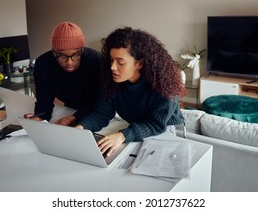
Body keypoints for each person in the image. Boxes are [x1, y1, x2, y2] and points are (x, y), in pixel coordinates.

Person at [75, 27, 185, 156]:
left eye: (120, 63)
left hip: (166, 130)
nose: (112, 67)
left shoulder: (163, 84)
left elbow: (155, 124)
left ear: (140, 63)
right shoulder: (112, 79)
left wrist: (122, 135)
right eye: (111, 60)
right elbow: (101, 114)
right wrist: (80, 128)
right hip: (137, 127)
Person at [26, 22, 101, 125]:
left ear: (82, 50)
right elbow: (44, 101)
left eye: (75, 55)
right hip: (69, 108)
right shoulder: (43, 65)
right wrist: (39, 117)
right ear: (53, 52)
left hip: (97, 113)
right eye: (62, 56)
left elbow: (99, 103)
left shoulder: (96, 62)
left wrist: (74, 117)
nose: (69, 62)